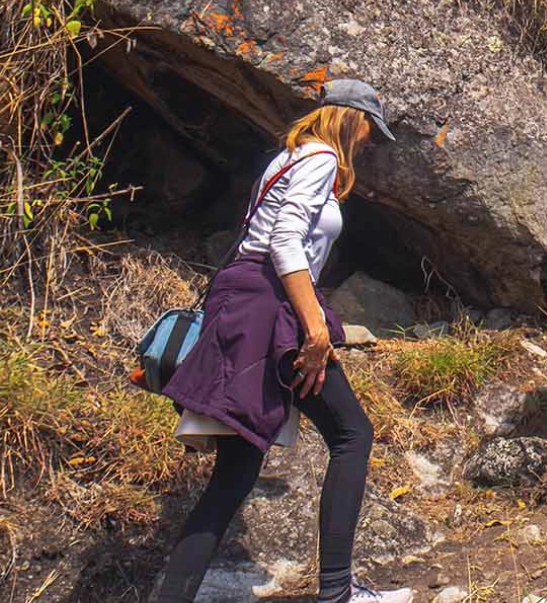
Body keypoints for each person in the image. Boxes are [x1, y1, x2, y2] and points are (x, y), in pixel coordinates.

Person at [151, 80, 413, 603]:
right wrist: (314, 325)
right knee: (352, 434)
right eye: (367, 128)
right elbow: (284, 240)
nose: (367, 141)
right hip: (272, 310)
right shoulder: (320, 159)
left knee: (235, 473)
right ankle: (337, 593)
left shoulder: (285, 159)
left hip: (247, 305)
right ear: (347, 118)